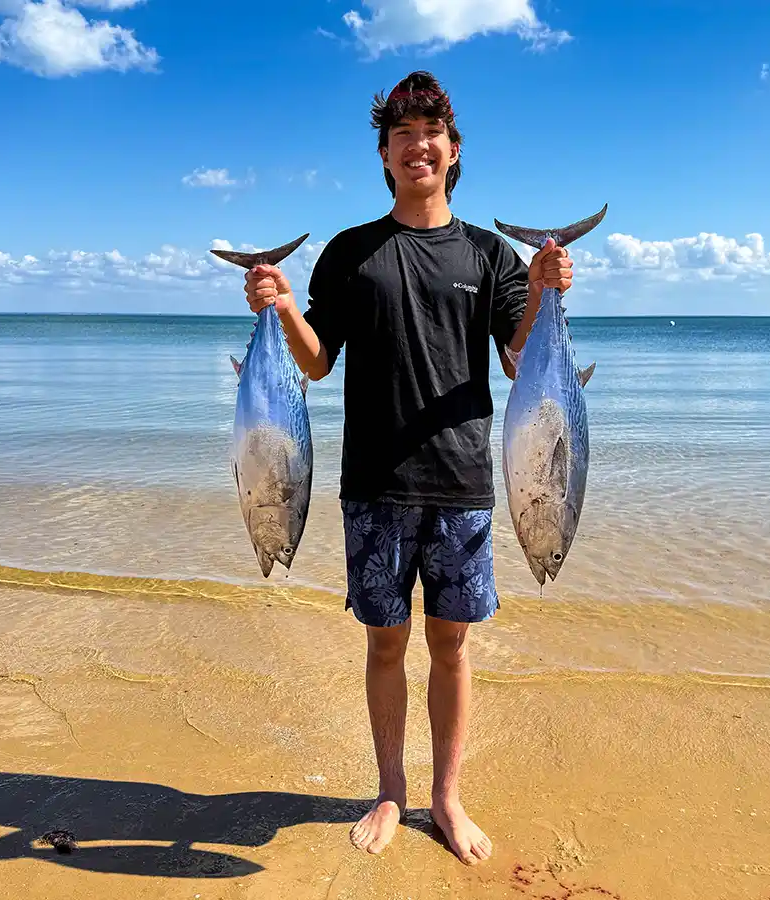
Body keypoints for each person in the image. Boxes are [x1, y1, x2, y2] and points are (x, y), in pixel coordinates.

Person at [241, 70, 574, 865]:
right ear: (385, 156)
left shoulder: (489, 254)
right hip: (374, 484)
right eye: (400, 135)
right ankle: (390, 790)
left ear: (451, 152)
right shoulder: (352, 253)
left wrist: (540, 290)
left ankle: (445, 798)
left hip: (462, 483)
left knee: (452, 648)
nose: (416, 145)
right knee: (385, 645)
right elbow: (318, 365)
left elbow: (520, 356)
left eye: (430, 132)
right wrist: (282, 306)